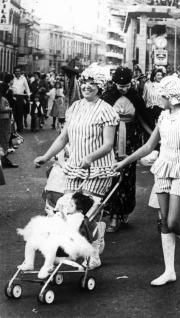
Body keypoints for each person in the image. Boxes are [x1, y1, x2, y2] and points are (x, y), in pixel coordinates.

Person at [113, 75, 180, 286]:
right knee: (164, 222)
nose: (159, 100)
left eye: (162, 96)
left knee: (173, 221)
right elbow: (148, 146)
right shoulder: (163, 116)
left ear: (171, 96)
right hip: (163, 168)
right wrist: (124, 162)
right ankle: (169, 271)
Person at [34, 65, 120, 269]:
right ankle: (74, 245)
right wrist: (46, 156)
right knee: (66, 209)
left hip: (98, 169)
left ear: (100, 86)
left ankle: (94, 250)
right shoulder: (74, 108)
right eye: (84, 82)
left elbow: (108, 144)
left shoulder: (107, 110)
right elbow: (63, 137)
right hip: (74, 167)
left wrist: (90, 157)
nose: (87, 86)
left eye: (92, 83)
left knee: (86, 211)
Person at [101, 66, 150, 233]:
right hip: (111, 141)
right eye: (120, 87)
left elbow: (144, 119)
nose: (124, 89)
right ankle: (112, 213)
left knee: (127, 177)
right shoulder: (107, 97)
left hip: (130, 141)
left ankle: (122, 211)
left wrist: (155, 137)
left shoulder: (136, 97)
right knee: (111, 175)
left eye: (127, 86)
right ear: (114, 84)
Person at [16, 192, 101, 279]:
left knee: (52, 245)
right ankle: (29, 263)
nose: (68, 206)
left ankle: (48, 267)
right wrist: (53, 215)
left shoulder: (78, 218)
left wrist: (59, 217)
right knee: (31, 242)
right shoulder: (68, 213)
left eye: (71, 205)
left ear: (80, 211)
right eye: (69, 204)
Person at [11, 66, 31, 132]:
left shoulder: (23, 78)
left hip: (20, 96)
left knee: (20, 112)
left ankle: (20, 127)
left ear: (20, 72)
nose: (17, 72)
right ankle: (14, 128)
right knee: (14, 113)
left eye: (19, 71)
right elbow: (9, 86)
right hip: (13, 96)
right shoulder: (12, 78)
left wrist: (28, 95)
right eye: (16, 71)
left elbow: (27, 87)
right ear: (14, 72)